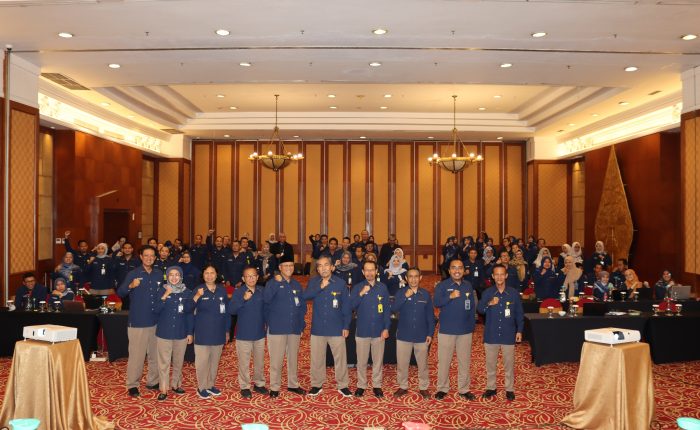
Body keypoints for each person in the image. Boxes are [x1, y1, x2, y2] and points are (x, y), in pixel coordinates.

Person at [303, 256, 353, 397]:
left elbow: (346, 307)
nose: (323, 268)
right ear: (317, 269)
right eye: (320, 266)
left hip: (336, 328)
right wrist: (320, 287)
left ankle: (343, 385)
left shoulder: (340, 283)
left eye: (326, 265)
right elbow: (305, 296)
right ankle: (316, 384)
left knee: (340, 359)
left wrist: (346, 326)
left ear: (332, 267)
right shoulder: (314, 282)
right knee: (317, 358)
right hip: (318, 327)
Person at [117, 245, 162, 397]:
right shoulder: (133, 273)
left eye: (152, 256)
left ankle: (153, 381)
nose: (149, 258)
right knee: (137, 356)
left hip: (156, 321)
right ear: (141, 257)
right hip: (138, 322)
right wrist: (131, 285)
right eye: (146, 255)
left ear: (155, 258)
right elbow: (120, 292)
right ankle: (132, 385)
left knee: (155, 355)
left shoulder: (158, 274)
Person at [478, 264, 524, 401]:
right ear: (493, 276)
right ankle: (491, 387)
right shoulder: (488, 293)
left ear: (506, 276)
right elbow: (480, 309)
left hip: (508, 334)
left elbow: (519, 314)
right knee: (490, 364)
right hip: (491, 334)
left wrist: (519, 330)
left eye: (502, 274)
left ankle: (509, 389)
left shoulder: (513, 293)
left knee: (509, 365)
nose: (499, 277)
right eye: (496, 274)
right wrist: (489, 303)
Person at [433, 260, 477, 400]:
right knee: (444, 361)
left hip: (465, 331)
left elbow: (471, 307)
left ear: (463, 270)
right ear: (449, 270)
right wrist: (450, 296)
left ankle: (464, 389)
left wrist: (472, 326)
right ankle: (442, 388)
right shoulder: (442, 285)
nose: (457, 271)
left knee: (464, 361)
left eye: (460, 268)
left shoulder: (468, 285)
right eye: (454, 268)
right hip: (447, 330)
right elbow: (436, 302)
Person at [264, 261, 307, 398]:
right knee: (276, 360)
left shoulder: (296, 284)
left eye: (291, 265)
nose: (289, 268)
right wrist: (277, 283)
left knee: (293, 358)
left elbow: (302, 307)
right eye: (285, 265)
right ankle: (274, 387)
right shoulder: (272, 283)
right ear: (280, 267)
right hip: (277, 327)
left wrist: (301, 325)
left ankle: (293, 384)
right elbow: (266, 299)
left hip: (294, 327)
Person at [391, 267, 434, 399]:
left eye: (416, 276)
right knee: (402, 364)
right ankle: (403, 386)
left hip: (421, 335)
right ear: (406, 278)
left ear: (420, 278)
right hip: (404, 335)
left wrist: (430, 333)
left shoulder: (425, 294)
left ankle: (423, 387)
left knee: (423, 364)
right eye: (410, 276)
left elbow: (430, 316)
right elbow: (393, 308)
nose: (413, 279)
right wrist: (405, 297)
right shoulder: (401, 292)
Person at [350, 260, 391, 398]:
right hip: (362, 331)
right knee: (361, 361)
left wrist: (386, 328)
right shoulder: (358, 287)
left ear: (376, 271)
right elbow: (351, 306)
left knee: (377, 361)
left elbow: (386, 310)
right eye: (366, 270)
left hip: (379, 331)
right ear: (363, 272)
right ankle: (361, 385)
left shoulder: (382, 288)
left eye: (372, 270)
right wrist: (361, 293)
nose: (369, 273)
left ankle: (377, 385)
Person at [154, 266, 194, 401]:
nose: (174, 277)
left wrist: (190, 332)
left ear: (181, 276)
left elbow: (189, 314)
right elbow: (156, 310)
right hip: (164, 332)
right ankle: (163, 388)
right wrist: (165, 295)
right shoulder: (161, 290)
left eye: (177, 275)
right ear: (167, 276)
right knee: (163, 363)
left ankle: (176, 384)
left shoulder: (187, 292)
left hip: (181, 332)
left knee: (178, 361)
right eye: (171, 275)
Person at [229, 267, 269, 399]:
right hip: (243, 334)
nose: (251, 278)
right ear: (243, 278)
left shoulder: (262, 291)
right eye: (248, 276)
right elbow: (231, 310)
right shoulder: (238, 292)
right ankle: (245, 386)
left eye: (253, 276)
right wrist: (243, 299)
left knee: (259, 362)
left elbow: (266, 310)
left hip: (259, 333)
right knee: (244, 363)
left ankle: (259, 383)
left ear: (257, 277)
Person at [192, 265, 231, 399]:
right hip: (202, 332)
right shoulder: (198, 290)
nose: (209, 275)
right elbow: (189, 308)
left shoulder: (221, 290)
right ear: (203, 275)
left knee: (214, 361)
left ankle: (210, 385)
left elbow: (226, 312)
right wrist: (197, 296)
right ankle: (202, 387)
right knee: (202, 362)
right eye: (206, 273)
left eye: (212, 273)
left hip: (219, 331)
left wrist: (227, 331)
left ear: (216, 275)